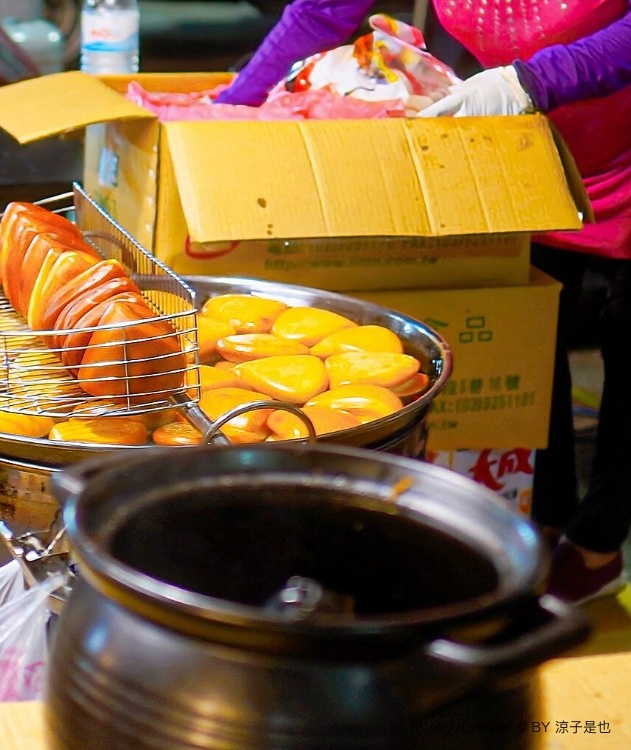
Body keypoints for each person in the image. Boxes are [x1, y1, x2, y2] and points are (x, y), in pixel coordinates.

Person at [216, 0, 631, 605]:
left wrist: (530, 80)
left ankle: (598, 543)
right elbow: (323, 10)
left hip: (572, 114)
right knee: (533, 331)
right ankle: (542, 524)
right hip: (532, 147)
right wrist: (229, 109)